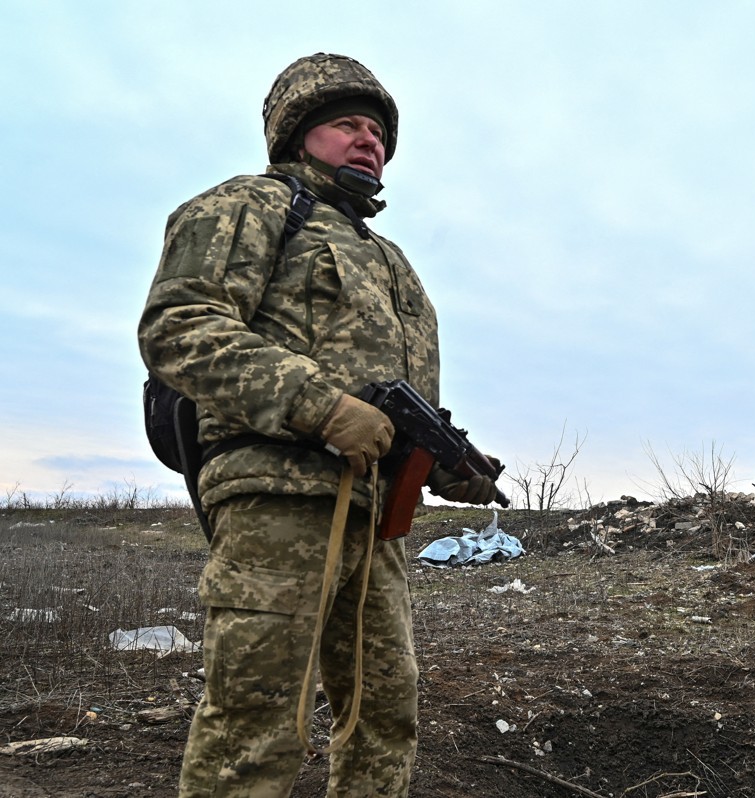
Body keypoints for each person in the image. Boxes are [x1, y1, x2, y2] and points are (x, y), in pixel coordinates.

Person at [138, 52, 498, 797]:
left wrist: (451, 464)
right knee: (256, 723)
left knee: (385, 714)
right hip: (278, 504)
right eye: (346, 125)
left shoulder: (391, 261)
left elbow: (397, 406)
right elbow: (179, 326)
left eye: (378, 132)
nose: (368, 140)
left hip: (376, 524)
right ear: (298, 133)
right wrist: (321, 406)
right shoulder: (253, 205)